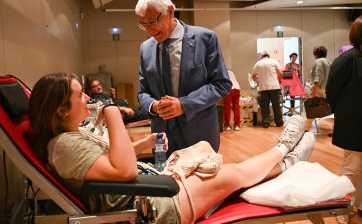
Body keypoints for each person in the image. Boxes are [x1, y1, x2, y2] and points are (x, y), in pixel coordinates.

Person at [28, 73, 315, 224]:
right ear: (62, 109)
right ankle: (285, 152)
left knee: (223, 168)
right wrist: (112, 110)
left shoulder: (68, 137)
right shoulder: (64, 146)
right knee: (233, 174)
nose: (88, 98)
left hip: (147, 188)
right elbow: (123, 169)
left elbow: (108, 163)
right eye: (80, 95)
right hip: (152, 206)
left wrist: (142, 143)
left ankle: (286, 156)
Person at [135, 0, 232, 156]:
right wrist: (153, 105)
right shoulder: (146, 48)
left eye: (152, 21)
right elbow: (143, 92)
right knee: (166, 179)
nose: (149, 30)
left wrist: (184, 105)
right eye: (143, 24)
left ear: (170, 11)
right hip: (161, 136)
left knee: (203, 181)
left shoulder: (205, 38)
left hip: (199, 134)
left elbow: (221, 84)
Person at [326, 15, 362, 220]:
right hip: (353, 123)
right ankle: (344, 209)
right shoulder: (347, 59)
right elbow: (333, 92)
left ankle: (358, 205)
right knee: (353, 167)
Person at [252, 50, 284, 128]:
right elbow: (280, 73)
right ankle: (279, 123)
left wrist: (258, 80)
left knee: (264, 106)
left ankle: (266, 123)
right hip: (274, 87)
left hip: (263, 88)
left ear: (261, 56)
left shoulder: (258, 63)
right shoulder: (274, 61)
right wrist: (279, 81)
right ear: (268, 55)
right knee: (276, 105)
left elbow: (253, 77)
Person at [304, 45, 331, 132]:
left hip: (318, 88)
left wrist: (313, 92)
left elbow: (317, 77)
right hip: (326, 88)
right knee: (326, 107)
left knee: (311, 107)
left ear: (315, 54)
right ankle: (306, 127)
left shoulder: (318, 62)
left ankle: (306, 128)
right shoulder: (329, 62)